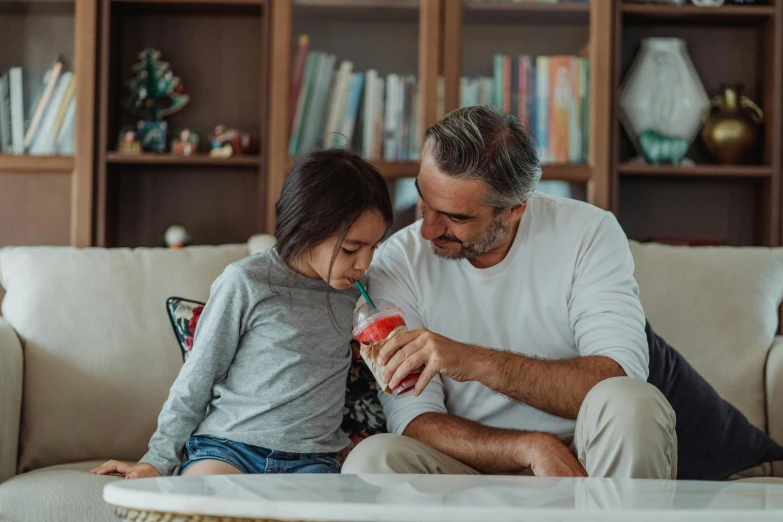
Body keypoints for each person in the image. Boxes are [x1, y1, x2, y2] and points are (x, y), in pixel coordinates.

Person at [342, 105, 677, 479]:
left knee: (631, 403)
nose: (427, 230)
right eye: (424, 199)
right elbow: (415, 420)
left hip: (589, 460)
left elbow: (618, 377)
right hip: (471, 464)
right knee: (373, 459)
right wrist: (529, 447)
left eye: (456, 217)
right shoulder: (398, 261)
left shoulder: (589, 233)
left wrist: (472, 361)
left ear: (515, 209)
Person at [91, 149, 393, 479]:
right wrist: (158, 459)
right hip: (229, 447)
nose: (365, 263)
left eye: (373, 247)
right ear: (308, 228)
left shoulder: (357, 294)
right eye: (351, 248)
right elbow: (198, 376)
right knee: (202, 503)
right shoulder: (246, 281)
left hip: (313, 460)